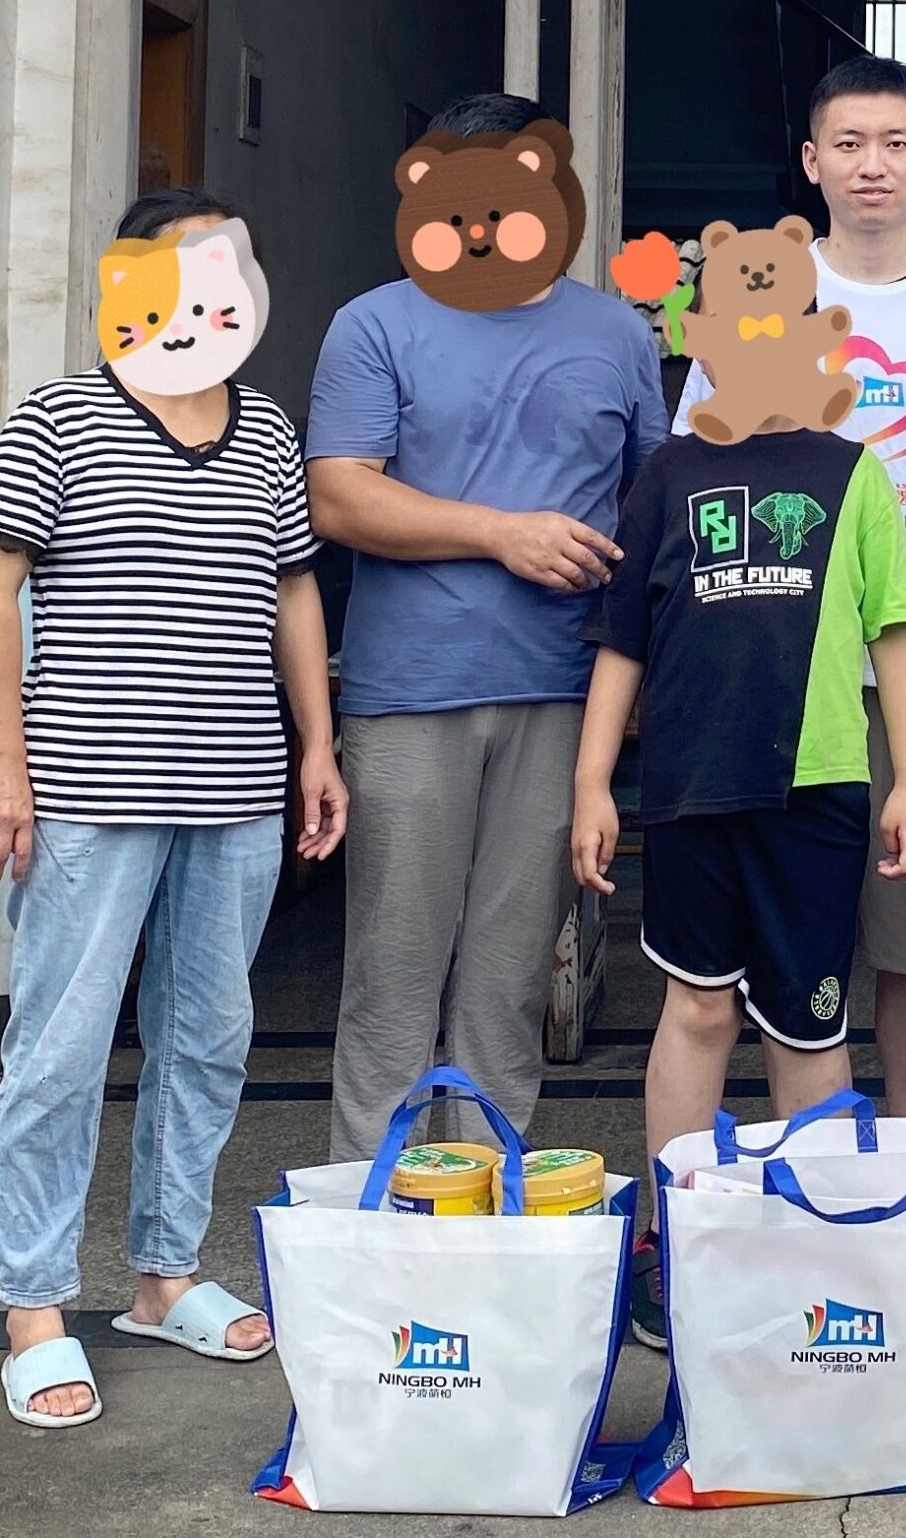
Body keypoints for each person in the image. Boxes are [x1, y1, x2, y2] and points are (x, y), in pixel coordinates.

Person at [0, 188, 347, 1428]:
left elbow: (293, 591)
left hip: (234, 791)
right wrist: (2, 761)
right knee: (63, 1048)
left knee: (208, 1039)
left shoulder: (268, 429)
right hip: (87, 790)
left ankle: (163, 1275)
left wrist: (317, 747)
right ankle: (34, 1307)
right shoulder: (57, 418)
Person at [673, 56, 906, 1118]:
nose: (872, 165)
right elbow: (702, 470)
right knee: (778, 934)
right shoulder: (755, 288)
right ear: (811, 161)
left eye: (896, 144)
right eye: (848, 144)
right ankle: (798, 1158)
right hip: (773, 665)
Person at [307, 92, 666, 1161]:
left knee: (511, 980)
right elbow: (338, 495)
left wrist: (643, 683)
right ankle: (377, 1209)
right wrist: (501, 534)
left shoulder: (617, 333)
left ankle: (486, 1205)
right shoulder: (375, 323)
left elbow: (653, 510)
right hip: (411, 687)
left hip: (563, 694)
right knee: (393, 975)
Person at [573, 321, 906, 1350]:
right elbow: (622, 642)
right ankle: (675, 1240)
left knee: (808, 1029)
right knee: (695, 1009)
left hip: (815, 791)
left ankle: (816, 1251)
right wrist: (592, 782)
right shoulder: (666, 476)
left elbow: (894, 631)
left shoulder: (853, 472)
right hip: (691, 787)